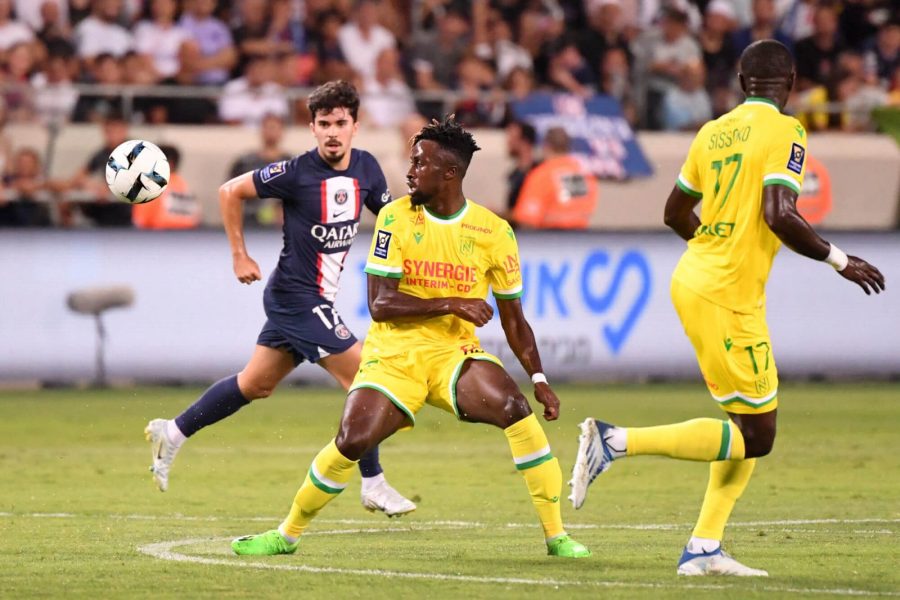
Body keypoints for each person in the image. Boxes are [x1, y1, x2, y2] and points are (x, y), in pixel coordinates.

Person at [569, 39, 885, 577]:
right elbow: (779, 214)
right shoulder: (788, 130)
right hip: (727, 293)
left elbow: (674, 213)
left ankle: (704, 547)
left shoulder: (712, 131)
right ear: (791, 83)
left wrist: (714, 246)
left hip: (699, 278)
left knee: (747, 425)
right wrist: (840, 260)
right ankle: (614, 440)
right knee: (757, 435)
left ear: (741, 83)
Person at [229, 116, 592, 559]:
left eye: (420, 163)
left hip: (454, 355)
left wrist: (538, 378)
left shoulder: (494, 232)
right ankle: (286, 535)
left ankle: (557, 536)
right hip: (394, 354)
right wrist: (452, 303)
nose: (409, 171)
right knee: (353, 440)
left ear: (449, 173)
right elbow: (380, 304)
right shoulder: (396, 216)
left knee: (515, 409)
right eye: (412, 161)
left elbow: (515, 319)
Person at [144, 80, 415, 518]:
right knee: (367, 378)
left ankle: (172, 432)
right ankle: (373, 482)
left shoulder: (366, 168)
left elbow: (390, 218)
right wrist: (239, 254)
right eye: (323, 123)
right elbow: (229, 191)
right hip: (296, 297)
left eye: (340, 123)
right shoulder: (295, 173)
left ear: (355, 126)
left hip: (314, 299)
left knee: (255, 384)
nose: (332, 131)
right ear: (311, 127)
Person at [511, 127, 598, 229]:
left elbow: (526, 220)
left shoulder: (542, 175)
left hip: (549, 239)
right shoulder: (584, 174)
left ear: (546, 146)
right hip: (581, 239)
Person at [228, 113, 292, 227]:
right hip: (249, 221)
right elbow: (230, 193)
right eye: (267, 127)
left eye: (274, 128)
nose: (270, 132)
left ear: (282, 132)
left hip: (283, 225)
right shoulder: (244, 162)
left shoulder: (292, 164)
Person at [132, 145, 201, 230]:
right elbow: (196, 217)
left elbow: (140, 220)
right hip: (190, 234)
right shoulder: (185, 186)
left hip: (159, 235)